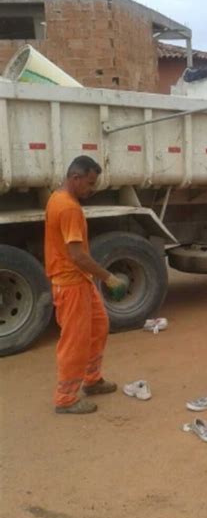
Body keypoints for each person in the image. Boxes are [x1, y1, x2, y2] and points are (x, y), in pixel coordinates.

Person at [45, 156, 126, 414]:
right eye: (90, 183)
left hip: (79, 280)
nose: (92, 189)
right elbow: (77, 255)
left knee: (99, 326)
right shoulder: (68, 208)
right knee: (75, 341)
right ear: (75, 178)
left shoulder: (58, 198)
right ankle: (65, 399)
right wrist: (109, 277)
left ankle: (92, 380)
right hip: (70, 283)